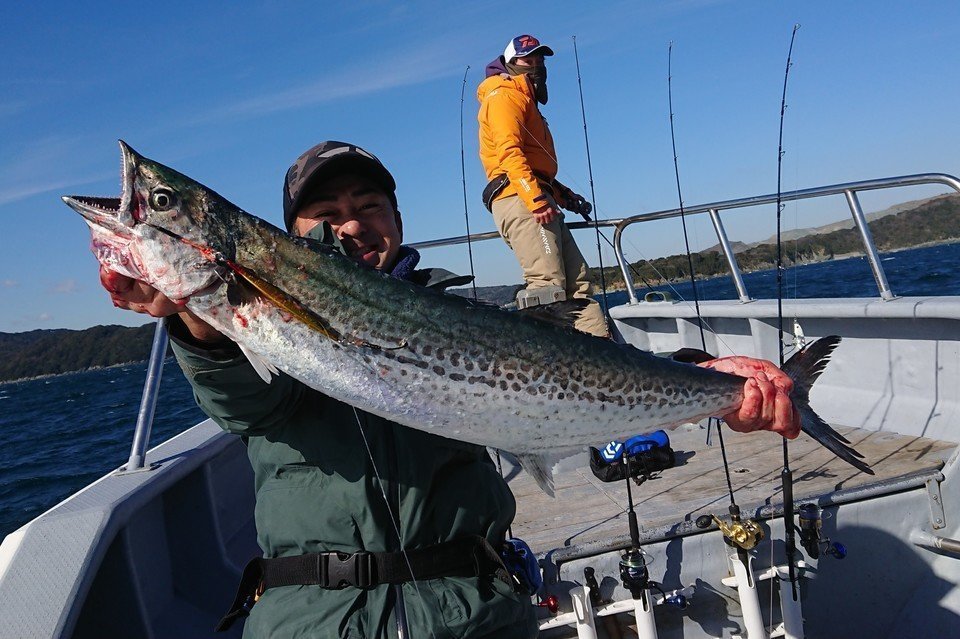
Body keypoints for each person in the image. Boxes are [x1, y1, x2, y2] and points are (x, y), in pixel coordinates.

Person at [97, 140, 802, 638]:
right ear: (284, 239)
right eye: (325, 212)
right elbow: (247, 402)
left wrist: (705, 381)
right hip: (312, 620)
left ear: (397, 222)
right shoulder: (257, 311)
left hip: (474, 612)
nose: (350, 222)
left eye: (369, 203)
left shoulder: (472, 316)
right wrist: (195, 314)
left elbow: (586, 366)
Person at [477, 34, 609, 338]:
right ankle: (549, 369)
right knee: (547, 287)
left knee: (578, 284)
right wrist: (536, 198)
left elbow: (535, 167)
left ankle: (602, 356)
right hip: (521, 200)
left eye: (540, 59)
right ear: (510, 63)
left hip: (536, 195)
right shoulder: (503, 96)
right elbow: (509, 153)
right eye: (528, 60)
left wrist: (563, 196)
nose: (535, 65)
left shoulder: (523, 98)